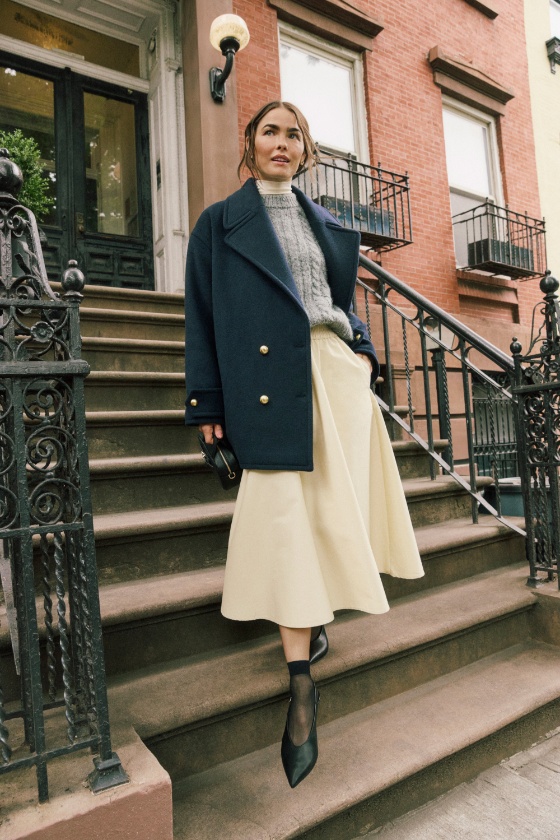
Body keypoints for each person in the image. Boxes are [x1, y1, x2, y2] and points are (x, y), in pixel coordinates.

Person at [184, 101, 424, 788]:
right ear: (251, 145)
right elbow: (200, 315)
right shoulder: (218, 223)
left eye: (294, 134)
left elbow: (341, 302)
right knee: (287, 523)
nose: (282, 143)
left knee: (325, 519)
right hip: (267, 384)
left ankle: (313, 626)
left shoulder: (328, 225)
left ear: (305, 150)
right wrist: (206, 404)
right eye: (270, 132)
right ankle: (301, 691)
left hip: (336, 379)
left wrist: (366, 356)